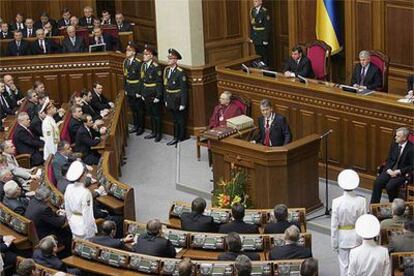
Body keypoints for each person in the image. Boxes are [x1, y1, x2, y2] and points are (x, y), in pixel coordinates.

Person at [331, 169, 366, 276]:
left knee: (344, 265)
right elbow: (363, 222)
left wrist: (334, 242)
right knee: (357, 264)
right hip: (357, 236)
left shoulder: (336, 202)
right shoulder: (361, 201)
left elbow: (334, 225)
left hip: (342, 237)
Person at [371, 127, 413, 203]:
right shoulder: (394, 144)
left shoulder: (411, 148)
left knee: (390, 186)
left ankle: (394, 207)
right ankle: (374, 207)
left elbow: (412, 166)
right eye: (396, 135)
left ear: (404, 138)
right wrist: (388, 169)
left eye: (398, 136)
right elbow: (389, 159)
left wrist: (398, 171)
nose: (395, 138)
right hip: (390, 170)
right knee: (377, 182)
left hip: (401, 174)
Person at [64, 161, 97, 239]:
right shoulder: (86, 193)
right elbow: (87, 215)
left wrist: (71, 223)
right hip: (84, 228)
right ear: (82, 176)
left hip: (73, 224)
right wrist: (90, 234)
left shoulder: (68, 187)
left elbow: (67, 209)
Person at [164, 48, 188, 145]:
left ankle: (180, 137)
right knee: (174, 119)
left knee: (180, 119)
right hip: (170, 98)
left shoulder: (180, 72)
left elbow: (183, 89)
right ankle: (175, 136)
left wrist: (183, 103)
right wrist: (165, 99)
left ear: (175, 60)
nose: (168, 60)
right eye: (168, 58)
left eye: (171, 58)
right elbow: (166, 86)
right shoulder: (167, 70)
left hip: (177, 99)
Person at [141, 45, 163, 142]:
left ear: (151, 56)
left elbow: (159, 82)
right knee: (150, 114)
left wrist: (158, 95)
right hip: (146, 93)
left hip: (153, 93)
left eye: (146, 54)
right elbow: (142, 81)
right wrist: (142, 93)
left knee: (156, 115)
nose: (144, 56)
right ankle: (153, 132)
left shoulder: (155, 67)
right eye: (144, 54)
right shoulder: (144, 65)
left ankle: (158, 134)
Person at [123, 43, 144, 135]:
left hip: (136, 89)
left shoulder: (138, 63)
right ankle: (135, 125)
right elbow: (126, 78)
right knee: (133, 109)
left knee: (139, 109)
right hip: (129, 88)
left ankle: (140, 127)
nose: (127, 52)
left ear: (134, 52)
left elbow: (141, 79)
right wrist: (126, 89)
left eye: (129, 50)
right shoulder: (126, 62)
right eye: (127, 50)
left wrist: (139, 91)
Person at [249, 0, 270, 65]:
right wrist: (252, 37)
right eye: (254, 1)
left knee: (264, 55)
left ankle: (265, 69)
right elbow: (252, 26)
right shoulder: (252, 11)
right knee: (258, 55)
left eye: (256, 1)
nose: (254, 3)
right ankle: (259, 68)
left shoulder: (264, 11)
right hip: (256, 36)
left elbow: (267, 26)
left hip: (262, 36)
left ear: (260, 2)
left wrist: (265, 39)